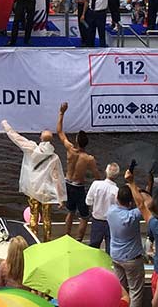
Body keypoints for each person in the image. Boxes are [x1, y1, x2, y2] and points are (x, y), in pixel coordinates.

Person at [1, 119, 66, 241]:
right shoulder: (54, 157)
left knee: (33, 215)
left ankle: (33, 239)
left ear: (41, 138)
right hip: (46, 191)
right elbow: (57, 178)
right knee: (47, 218)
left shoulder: (31, 148)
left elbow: (16, 138)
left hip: (33, 189)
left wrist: (6, 125)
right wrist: (60, 197)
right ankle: (47, 240)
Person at [58, 101, 99, 241]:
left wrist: (62, 113)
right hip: (78, 187)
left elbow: (59, 132)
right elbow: (97, 176)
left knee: (70, 211)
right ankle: (79, 240)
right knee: (84, 216)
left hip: (67, 183)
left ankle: (67, 236)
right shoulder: (88, 159)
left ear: (76, 141)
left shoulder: (70, 149)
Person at [108, 167, 147, 307]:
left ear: (117, 198)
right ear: (131, 203)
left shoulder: (110, 211)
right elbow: (143, 205)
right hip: (131, 259)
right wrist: (132, 183)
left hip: (116, 256)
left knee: (120, 290)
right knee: (135, 292)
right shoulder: (132, 215)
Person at [85, 163, 120, 250]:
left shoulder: (96, 184)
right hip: (111, 223)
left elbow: (88, 201)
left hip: (97, 220)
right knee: (110, 247)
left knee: (94, 246)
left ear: (106, 171)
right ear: (117, 175)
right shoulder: (117, 191)